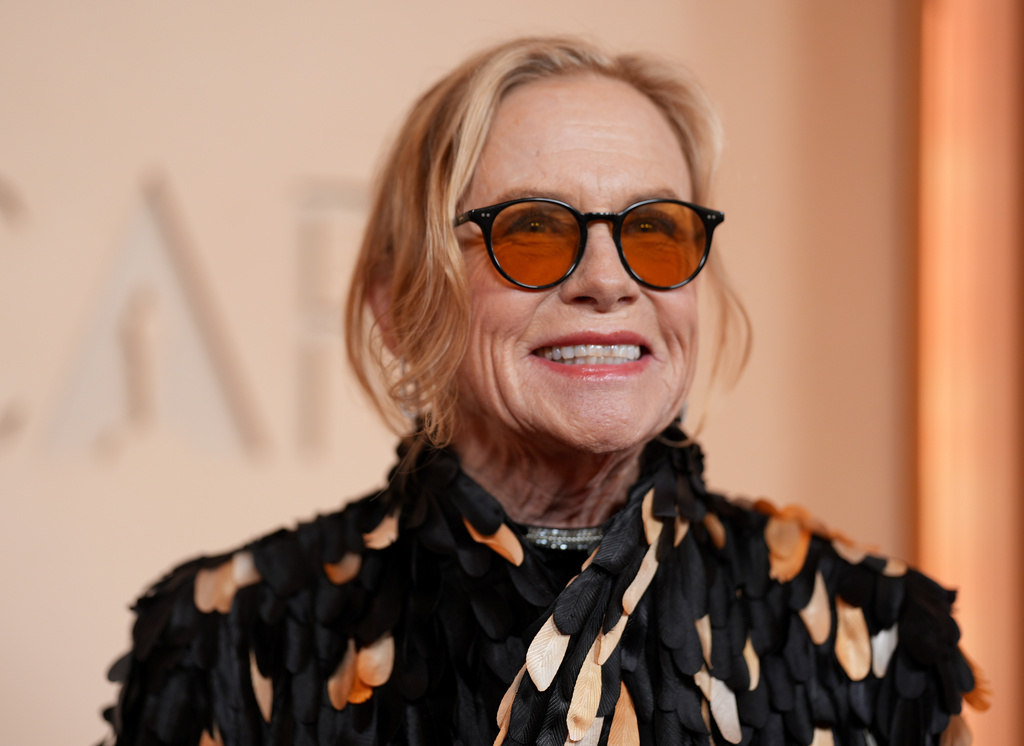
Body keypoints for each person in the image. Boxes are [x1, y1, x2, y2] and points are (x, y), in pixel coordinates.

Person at [101, 37, 986, 746]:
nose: (609, 279)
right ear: (402, 306)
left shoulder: (876, 636)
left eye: (655, 231)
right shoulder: (223, 638)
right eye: (532, 230)